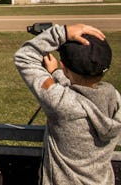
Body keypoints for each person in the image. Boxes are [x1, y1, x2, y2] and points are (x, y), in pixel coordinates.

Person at [13, 23, 121, 184]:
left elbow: (24, 57)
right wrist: (56, 73)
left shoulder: (61, 103)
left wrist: (61, 32)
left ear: (65, 67)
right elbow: (80, 96)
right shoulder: (115, 99)